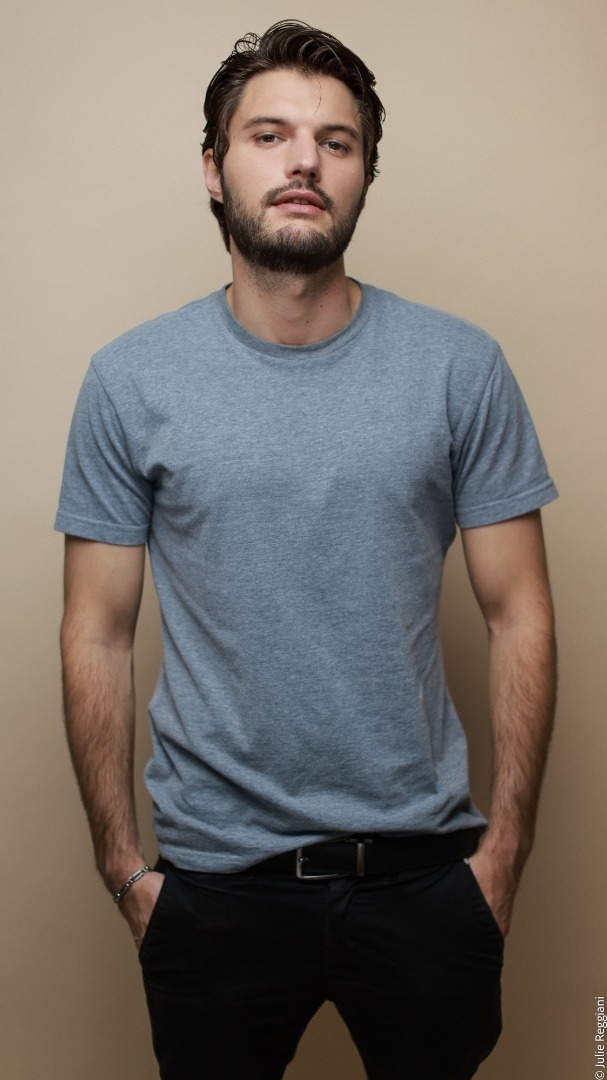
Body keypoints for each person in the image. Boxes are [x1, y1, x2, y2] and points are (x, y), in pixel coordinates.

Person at [56, 19, 558, 1080]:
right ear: (213, 166)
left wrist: (503, 857)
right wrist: (126, 871)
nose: (303, 163)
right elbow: (95, 631)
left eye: (336, 142)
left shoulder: (459, 368)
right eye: (269, 134)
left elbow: (519, 612)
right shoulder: (130, 379)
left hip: (424, 877)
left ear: (364, 173)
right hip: (212, 886)